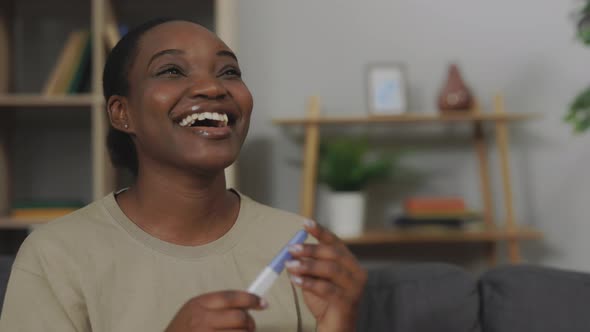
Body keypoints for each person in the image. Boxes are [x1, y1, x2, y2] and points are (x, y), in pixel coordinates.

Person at [0, 18, 367, 331]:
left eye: (229, 72)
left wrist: (340, 322)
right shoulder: (54, 256)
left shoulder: (300, 248)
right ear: (121, 113)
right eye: (171, 71)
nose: (213, 87)